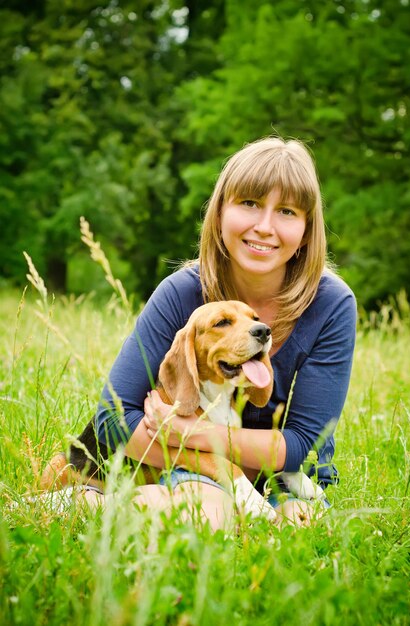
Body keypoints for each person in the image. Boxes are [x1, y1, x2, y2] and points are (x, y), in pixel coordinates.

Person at [83, 136, 357, 530]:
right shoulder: (181, 293)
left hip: (289, 478)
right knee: (197, 519)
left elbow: (301, 446)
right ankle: (111, 503)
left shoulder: (332, 304)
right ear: (220, 212)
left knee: (298, 529)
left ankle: (109, 505)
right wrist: (211, 461)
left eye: (286, 211)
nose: (264, 227)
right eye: (249, 204)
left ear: (306, 230)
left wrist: (188, 432)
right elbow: (110, 421)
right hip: (197, 472)